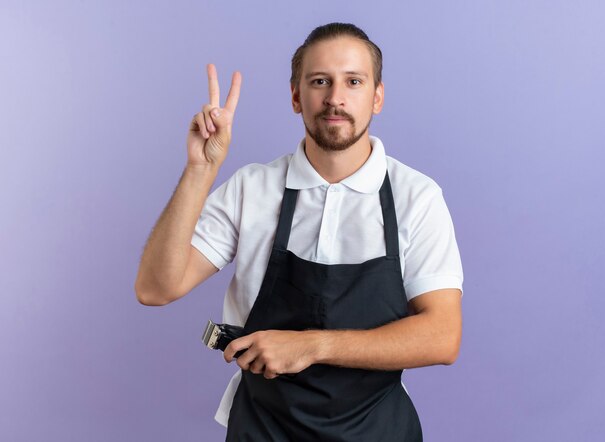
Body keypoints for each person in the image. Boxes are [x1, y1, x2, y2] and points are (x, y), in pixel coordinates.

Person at [135, 22, 463, 442]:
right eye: (319, 81)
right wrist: (201, 171)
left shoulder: (416, 197)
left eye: (354, 81)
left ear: (377, 97)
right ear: (296, 96)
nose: (335, 98)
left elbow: (442, 336)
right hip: (264, 429)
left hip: (378, 431)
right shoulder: (251, 188)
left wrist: (311, 346)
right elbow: (155, 288)